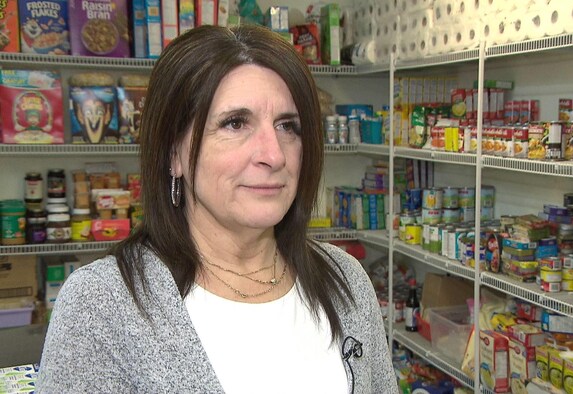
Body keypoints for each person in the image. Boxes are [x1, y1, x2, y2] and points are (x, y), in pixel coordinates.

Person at [37, 24, 397, 393]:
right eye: (235, 123)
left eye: (288, 126)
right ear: (173, 152)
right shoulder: (101, 304)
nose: (273, 155)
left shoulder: (346, 281)